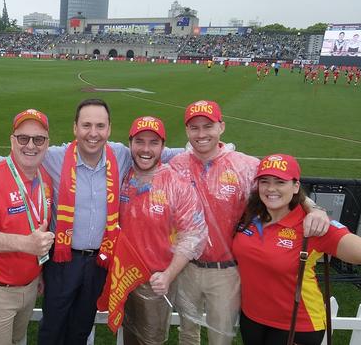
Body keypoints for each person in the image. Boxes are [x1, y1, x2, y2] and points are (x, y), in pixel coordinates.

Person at [169, 101, 330, 345]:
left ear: (221, 127)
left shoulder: (243, 165)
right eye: (194, 128)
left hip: (226, 272)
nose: (201, 134)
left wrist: (315, 208)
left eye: (208, 126)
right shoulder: (177, 165)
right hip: (186, 267)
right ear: (187, 132)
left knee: (219, 337)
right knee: (187, 334)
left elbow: (278, 189)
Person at [37, 99, 182, 345]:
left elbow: (163, 153)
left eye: (100, 126)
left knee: (81, 329)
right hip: (62, 260)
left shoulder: (121, 155)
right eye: (86, 125)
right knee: (52, 328)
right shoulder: (53, 158)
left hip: (98, 262)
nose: (93, 133)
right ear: (75, 128)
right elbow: (14, 160)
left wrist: (216, 151)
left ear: (109, 129)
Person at [234, 154, 361, 345]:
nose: (271, 188)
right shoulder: (250, 214)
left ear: (295, 186)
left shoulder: (313, 224)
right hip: (252, 318)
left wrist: (317, 210)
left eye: (280, 182)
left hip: (297, 324)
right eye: (264, 181)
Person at [0, 109, 55, 345]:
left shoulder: (45, 178)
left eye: (39, 139)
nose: (31, 146)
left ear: (47, 143)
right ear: (12, 140)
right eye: (23, 138)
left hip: (30, 287)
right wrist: (27, 244)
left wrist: (40, 270)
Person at [119, 116, 208, 345]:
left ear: (163, 146)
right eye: (140, 141)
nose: (146, 149)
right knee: (128, 335)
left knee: (151, 340)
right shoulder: (121, 175)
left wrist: (168, 275)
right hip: (122, 278)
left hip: (156, 281)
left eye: (153, 142)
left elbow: (194, 234)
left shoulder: (176, 183)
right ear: (130, 144)